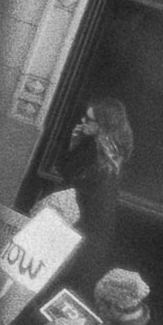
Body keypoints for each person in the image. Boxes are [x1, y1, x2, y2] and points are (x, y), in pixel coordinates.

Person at [54, 98, 131, 292]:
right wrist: (74, 143)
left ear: (103, 126)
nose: (82, 121)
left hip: (81, 237)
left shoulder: (102, 163)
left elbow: (72, 185)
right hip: (74, 231)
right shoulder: (96, 149)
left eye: (89, 119)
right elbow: (63, 170)